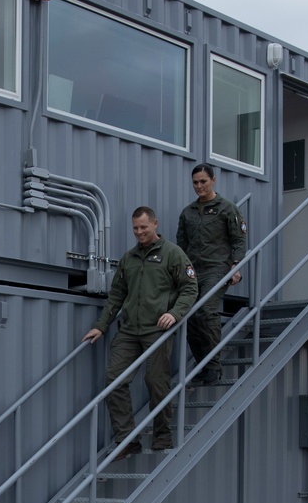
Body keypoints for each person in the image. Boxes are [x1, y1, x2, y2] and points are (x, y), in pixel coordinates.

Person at [82, 206, 198, 454]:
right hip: (128, 331)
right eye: (135, 228)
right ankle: (127, 440)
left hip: (157, 329)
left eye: (144, 227)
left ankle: (163, 435)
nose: (139, 232)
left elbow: (190, 289)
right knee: (114, 381)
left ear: (155, 223)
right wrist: (101, 326)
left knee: (156, 382)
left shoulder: (173, 254)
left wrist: (174, 314)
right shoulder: (129, 258)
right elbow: (116, 296)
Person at [175, 164, 247, 384]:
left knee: (206, 310)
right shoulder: (188, 212)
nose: (199, 186)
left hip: (217, 269)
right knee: (190, 317)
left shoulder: (227, 208)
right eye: (195, 182)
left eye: (203, 181)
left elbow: (239, 239)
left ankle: (214, 367)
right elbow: (181, 245)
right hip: (193, 272)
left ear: (213, 180)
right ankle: (203, 366)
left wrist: (236, 266)